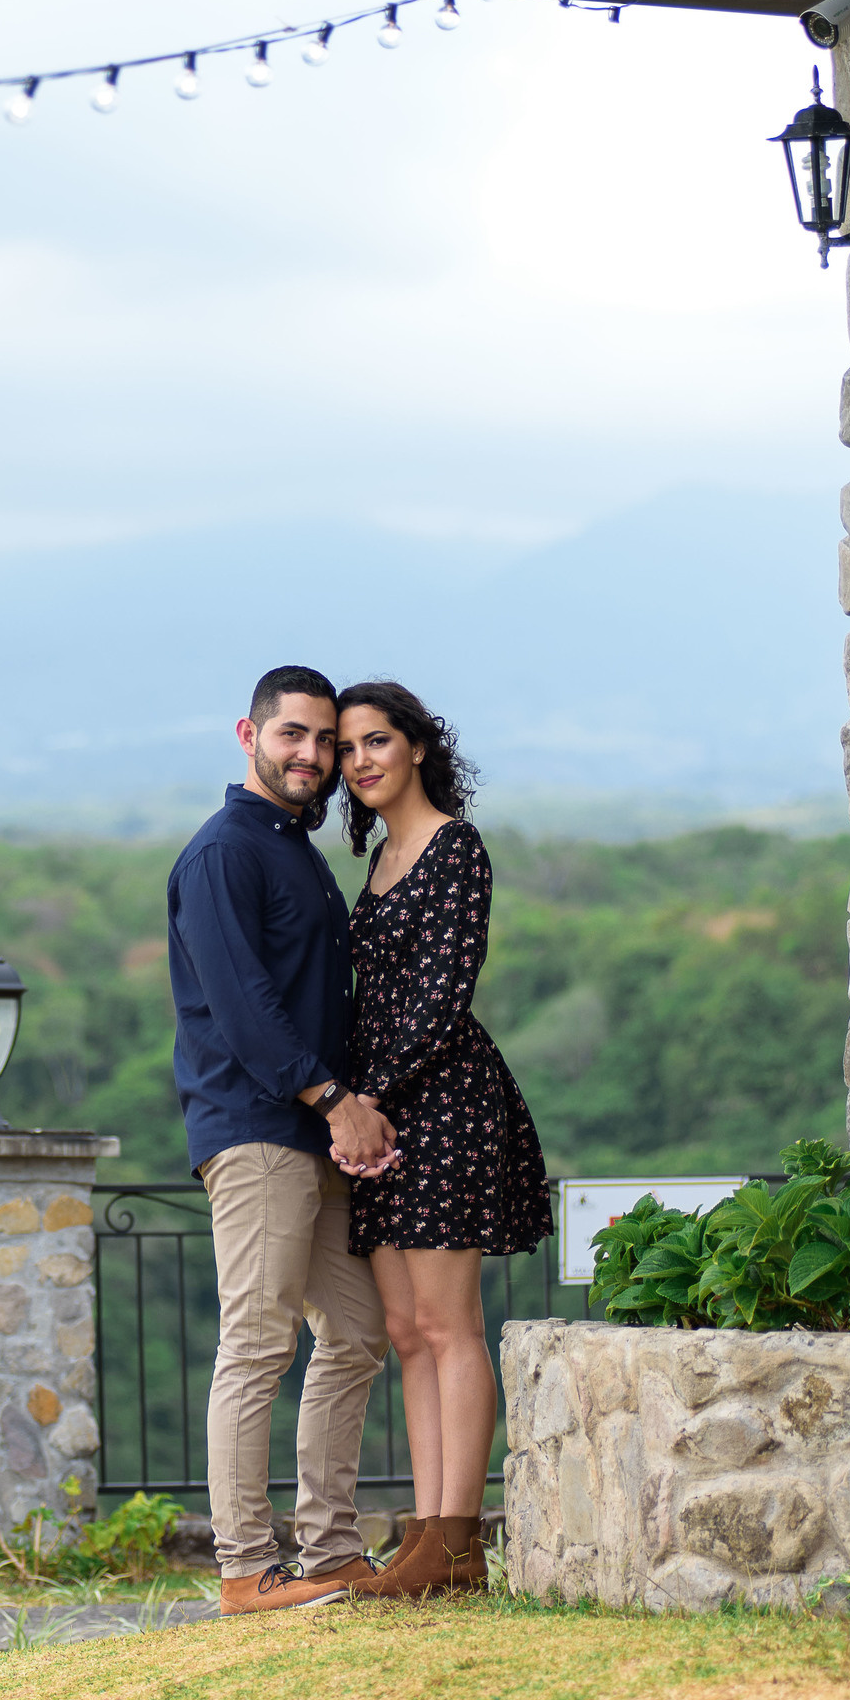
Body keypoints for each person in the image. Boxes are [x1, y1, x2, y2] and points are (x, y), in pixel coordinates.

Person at [167, 664, 401, 1615]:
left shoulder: (294, 848)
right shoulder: (225, 851)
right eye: (293, 735)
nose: (312, 756)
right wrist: (336, 1098)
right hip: (260, 1130)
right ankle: (243, 1568)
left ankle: (331, 1550)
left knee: (354, 1331)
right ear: (248, 734)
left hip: (313, 1135)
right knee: (258, 1344)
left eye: (327, 743)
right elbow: (245, 1006)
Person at [329, 679, 552, 1598]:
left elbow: (441, 996)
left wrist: (366, 1099)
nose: (360, 762)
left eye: (377, 742)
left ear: (418, 745)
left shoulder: (455, 847)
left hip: (446, 1103)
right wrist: (350, 1107)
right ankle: (429, 1536)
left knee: (451, 1324)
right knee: (403, 1329)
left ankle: (459, 1539)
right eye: (347, 750)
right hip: (379, 1117)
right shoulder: (379, 856)